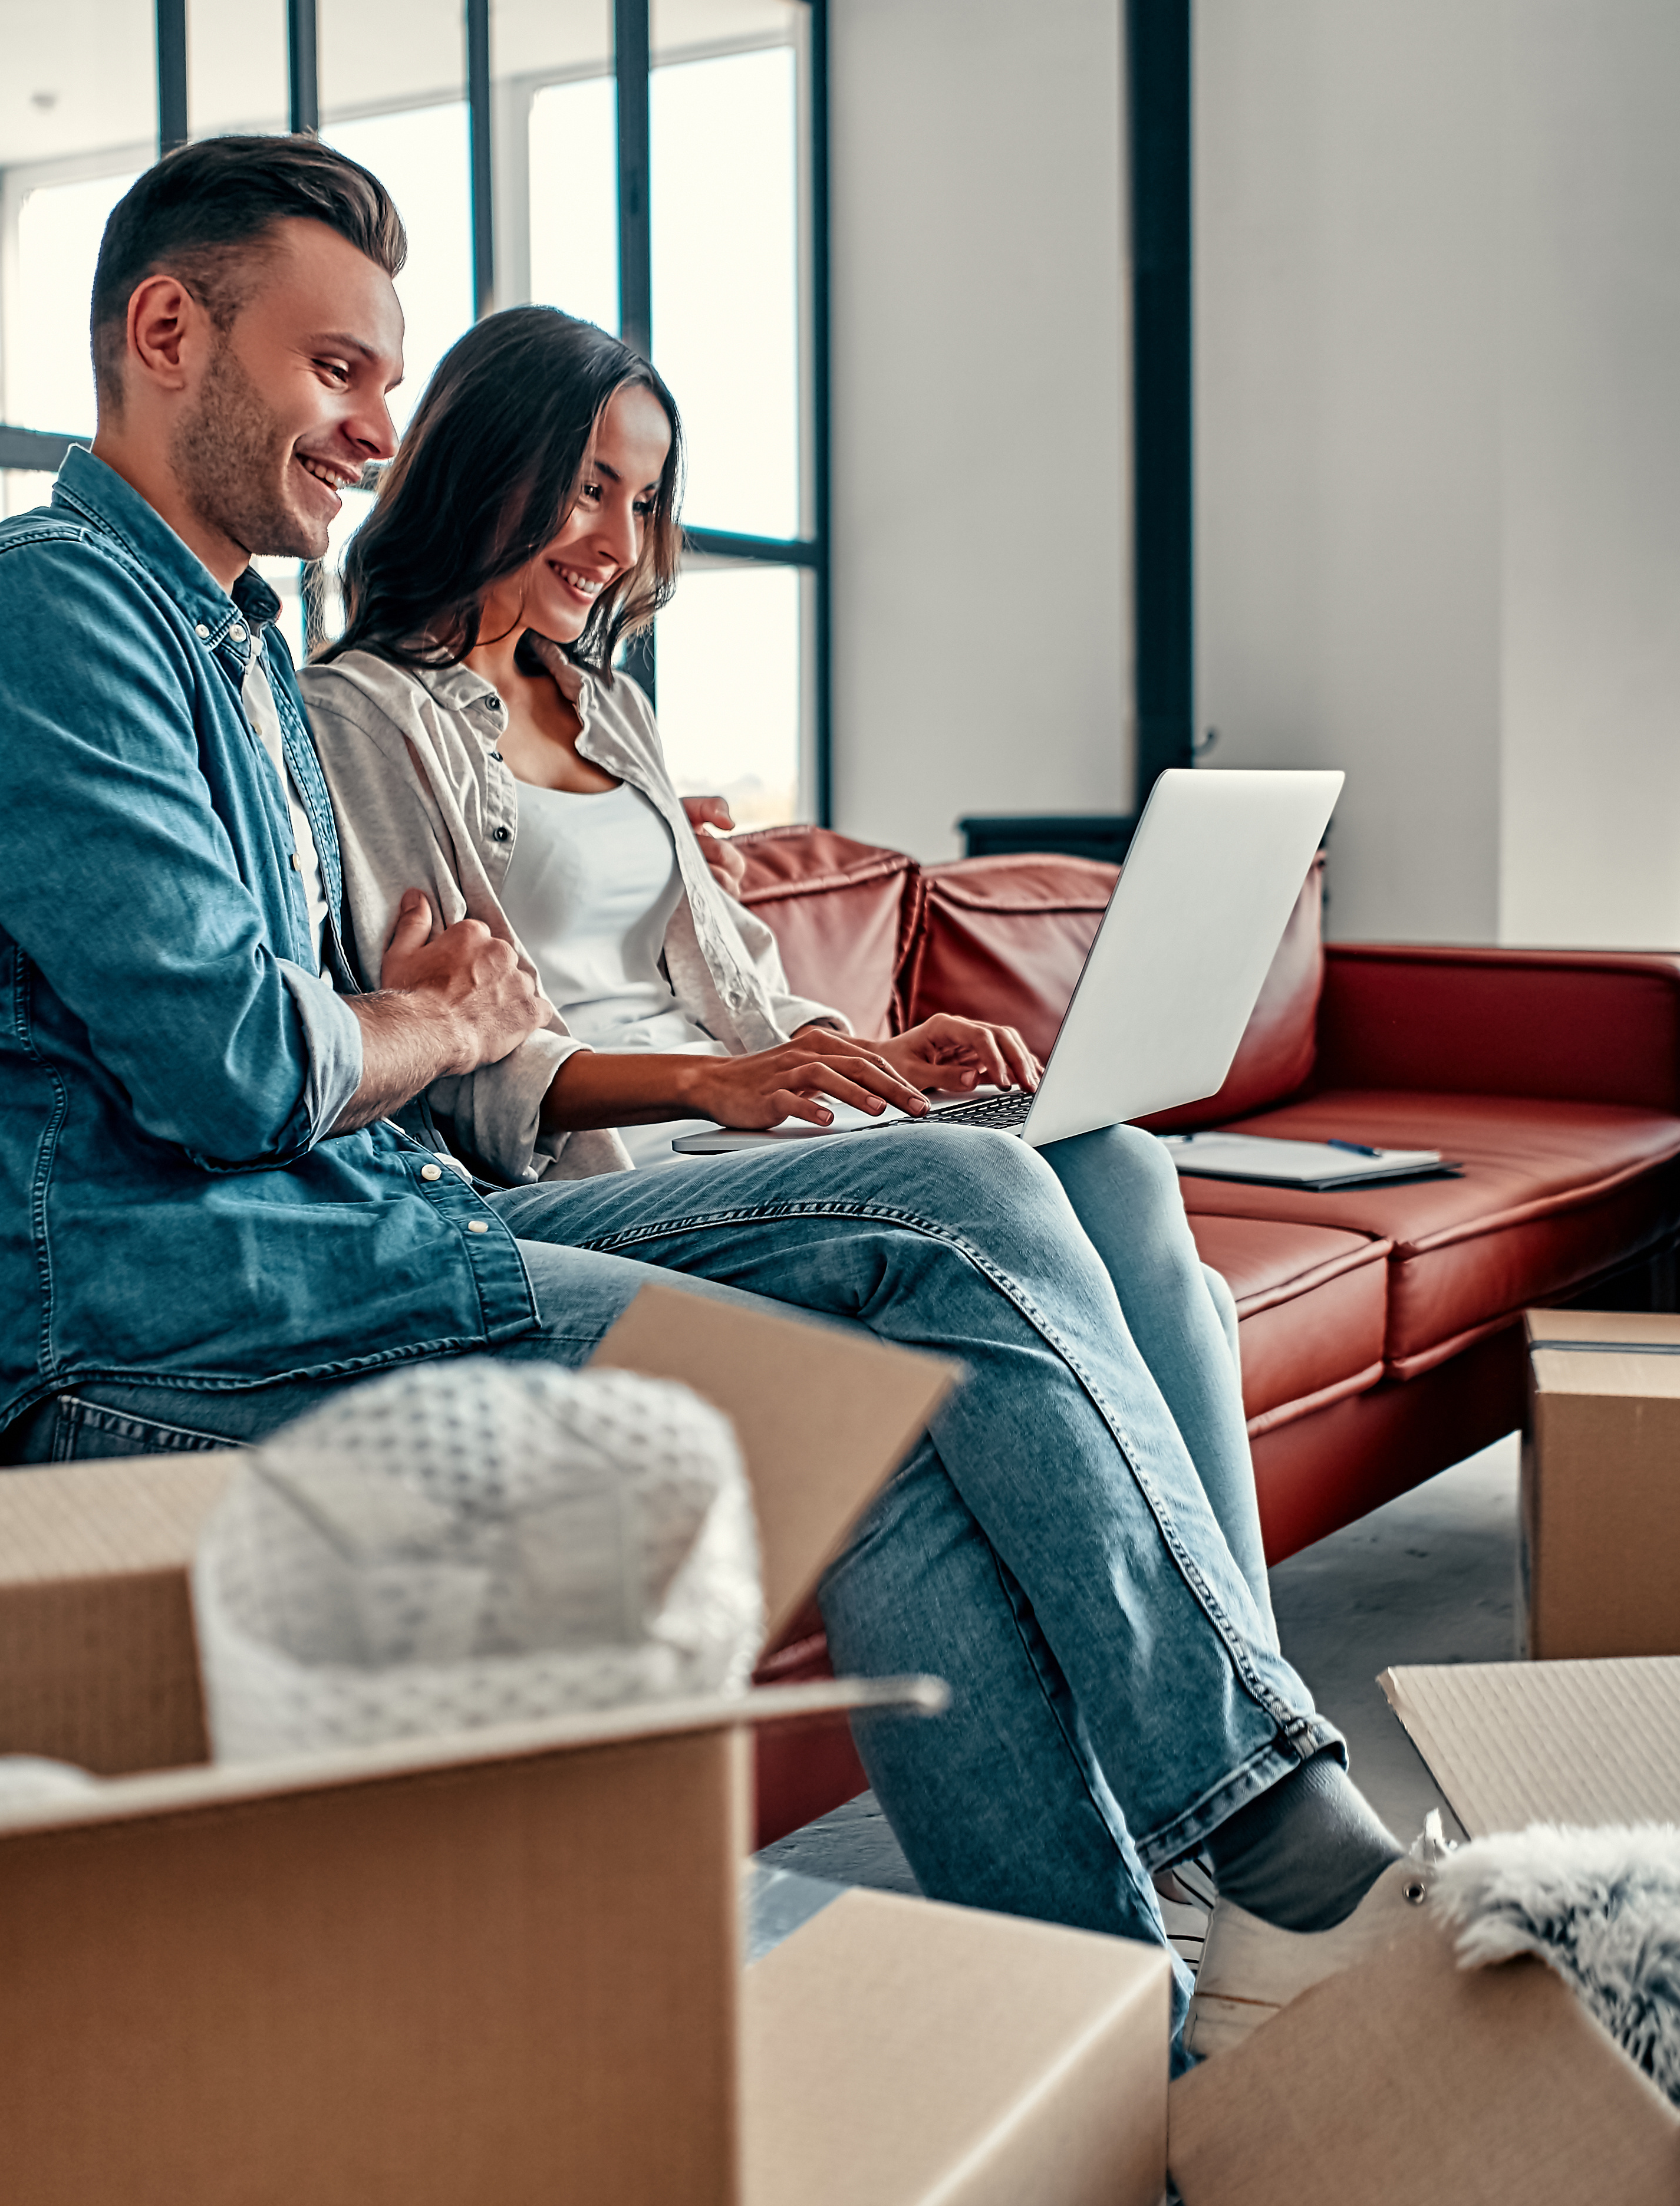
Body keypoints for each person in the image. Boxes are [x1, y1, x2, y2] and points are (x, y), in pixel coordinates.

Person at [0, 133, 1421, 2062]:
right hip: (153, 1331)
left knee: (897, 1397)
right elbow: (240, 1063)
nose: (373, 425)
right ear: (165, 330)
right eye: (336, 368)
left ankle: (1111, 2035)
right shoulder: (42, 615)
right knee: (961, 1211)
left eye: (384, 377)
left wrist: (410, 1025)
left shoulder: (225, 642)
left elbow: (308, 1033)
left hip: (350, 1252)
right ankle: (1269, 1820)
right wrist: (421, 1030)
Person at [299, 302, 1274, 1624]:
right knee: (1006, 1197)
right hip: (617, 1169)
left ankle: (1253, 1694)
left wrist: (874, 1051)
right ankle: (1240, 1722)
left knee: (1115, 1159)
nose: (615, 543)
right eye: (590, 488)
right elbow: (466, 1066)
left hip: (741, 1125)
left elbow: (738, 981)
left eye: (641, 502)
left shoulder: (609, 707)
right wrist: (715, 1082)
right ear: (487, 459)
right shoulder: (359, 711)